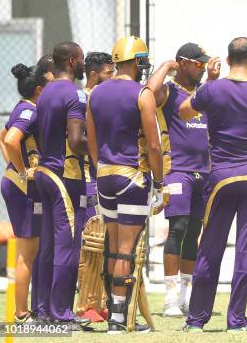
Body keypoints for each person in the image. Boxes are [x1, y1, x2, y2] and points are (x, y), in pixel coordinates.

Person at [180, 37, 247, 333]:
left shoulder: (212, 90)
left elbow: (185, 111)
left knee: (210, 247)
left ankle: (196, 320)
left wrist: (208, 84)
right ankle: (236, 321)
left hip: (221, 175)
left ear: (226, 60)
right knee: (246, 249)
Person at [87, 35, 166, 334]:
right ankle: (119, 318)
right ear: (137, 62)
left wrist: (101, 167)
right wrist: (159, 181)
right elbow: (155, 146)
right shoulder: (142, 94)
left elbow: (92, 140)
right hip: (132, 175)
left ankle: (115, 316)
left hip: (104, 174)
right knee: (125, 250)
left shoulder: (95, 93)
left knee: (112, 246)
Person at [146, 42, 219, 317]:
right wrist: (165, 66)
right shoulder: (170, 91)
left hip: (204, 171)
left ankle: (187, 297)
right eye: (198, 63)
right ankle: (170, 298)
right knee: (178, 227)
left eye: (204, 64)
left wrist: (211, 79)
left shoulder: (201, 95)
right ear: (183, 62)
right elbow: (148, 94)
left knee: (194, 232)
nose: (201, 68)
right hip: (177, 170)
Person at [34, 42, 90, 329]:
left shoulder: (46, 93)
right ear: (72, 61)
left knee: (48, 246)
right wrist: (101, 149)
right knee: (67, 245)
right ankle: (61, 314)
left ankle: (43, 310)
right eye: (81, 59)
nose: (84, 63)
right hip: (64, 176)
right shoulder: (74, 93)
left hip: (44, 172)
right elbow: (76, 140)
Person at [0, 60, 53, 324]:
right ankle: (21, 313)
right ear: (40, 90)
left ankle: (28, 310)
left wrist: (12, 167)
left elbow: (1, 136)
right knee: (27, 252)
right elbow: (10, 140)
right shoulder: (30, 111)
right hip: (23, 188)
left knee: (31, 249)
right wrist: (20, 172)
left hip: (19, 184)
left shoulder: (24, 108)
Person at [82, 52, 114, 224]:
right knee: (92, 232)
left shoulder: (108, 99)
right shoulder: (81, 99)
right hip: (88, 175)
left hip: (109, 173)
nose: (113, 77)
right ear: (94, 75)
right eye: (109, 73)